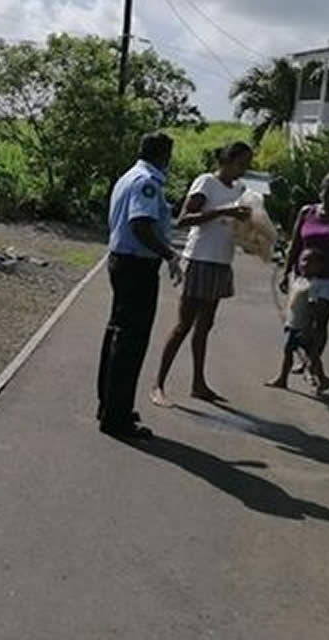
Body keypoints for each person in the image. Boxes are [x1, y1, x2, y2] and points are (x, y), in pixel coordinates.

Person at [150, 142, 253, 406]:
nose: (244, 169)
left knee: (205, 326)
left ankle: (198, 383)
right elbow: (184, 219)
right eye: (241, 163)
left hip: (221, 261)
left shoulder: (239, 189)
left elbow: (236, 224)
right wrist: (223, 211)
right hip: (199, 259)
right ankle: (158, 384)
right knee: (184, 325)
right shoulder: (206, 182)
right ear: (227, 161)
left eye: (247, 164)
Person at [96, 132, 183, 440]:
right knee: (130, 343)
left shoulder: (130, 176)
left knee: (117, 335)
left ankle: (110, 406)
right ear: (163, 155)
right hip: (136, 266)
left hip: (123, 261)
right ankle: (116, 418)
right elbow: (140, 225)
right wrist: (169, 253)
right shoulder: (147, 182)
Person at [280, 172, 329, 388]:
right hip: (304, 277)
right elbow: (295, 244)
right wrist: (286, 272)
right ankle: (310, 361)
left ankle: (313, 364)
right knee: (300, 322)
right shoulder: (307, 212)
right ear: (321, 190)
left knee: (318, 323)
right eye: (328, 191)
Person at [266, 249, 327, 393]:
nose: (306, 264)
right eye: (303, 260)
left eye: (311, 262)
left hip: (303, 327)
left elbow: (313, 308)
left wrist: (308, 328)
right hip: (292, 323)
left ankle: (322, 380)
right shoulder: (299, 280)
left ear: (319, 266)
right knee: (289, 351)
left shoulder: (313, 285)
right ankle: (282, 378)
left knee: (312, 355)